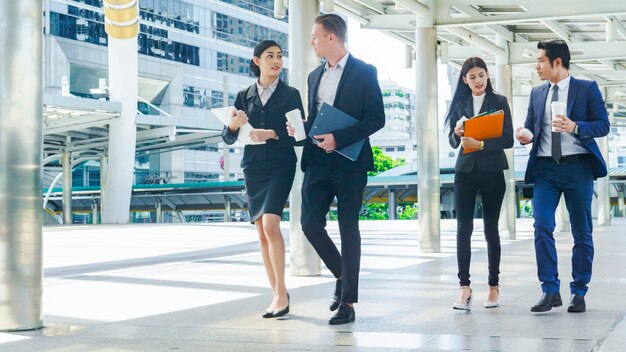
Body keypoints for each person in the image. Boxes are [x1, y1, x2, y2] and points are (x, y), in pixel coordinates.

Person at [288, 14, 385, 325]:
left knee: (348, 229)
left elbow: (376, 118)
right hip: (317, 161)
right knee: (309, 224)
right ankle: (343, 276)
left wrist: (339, 138)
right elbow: (318, 115)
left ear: (332, 38)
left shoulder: (365, 72)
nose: (311, 42)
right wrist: (301, 129)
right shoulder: (314, 76)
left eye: (315, 36)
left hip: (350, 163)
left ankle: (348, 302)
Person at [516, 39, 609, 313]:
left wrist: (575, 126)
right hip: (545, 168)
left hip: (578, 166)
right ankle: (549, 290)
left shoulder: (586, 88)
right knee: (542, 226)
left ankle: (579, 291)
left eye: (540, 61)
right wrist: (525, 135)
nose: (536, 66)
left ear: (557, 62)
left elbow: (603, 125)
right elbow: (533, 127)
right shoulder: (536, 93)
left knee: (582, 232)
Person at [222, 40, 304, 319]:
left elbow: (299, 132)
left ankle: (281, 293)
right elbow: (229, 135)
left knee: (270, 223)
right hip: (253, 167)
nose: (276, 60)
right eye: (270, 56)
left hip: (281, 165)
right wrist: (233, 125)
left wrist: (271, 133)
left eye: (280, 56)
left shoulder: (291, 94)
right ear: (257, 61)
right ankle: (277, 294)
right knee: (261, 232)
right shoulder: (244, 94)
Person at [445, 57, 513, 311]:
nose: (478, 80)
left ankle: (493, 286)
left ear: (488, 75)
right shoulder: (459, 103)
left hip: (493, 170)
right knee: (463, 229)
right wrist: (457, 133)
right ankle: (464, 287)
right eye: (472, 76)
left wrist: (483, 144)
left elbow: (508, 139)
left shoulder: (500, 102)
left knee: (490, 230)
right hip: (465, 171)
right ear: (465, 80)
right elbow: (453, 143)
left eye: (481, 75)